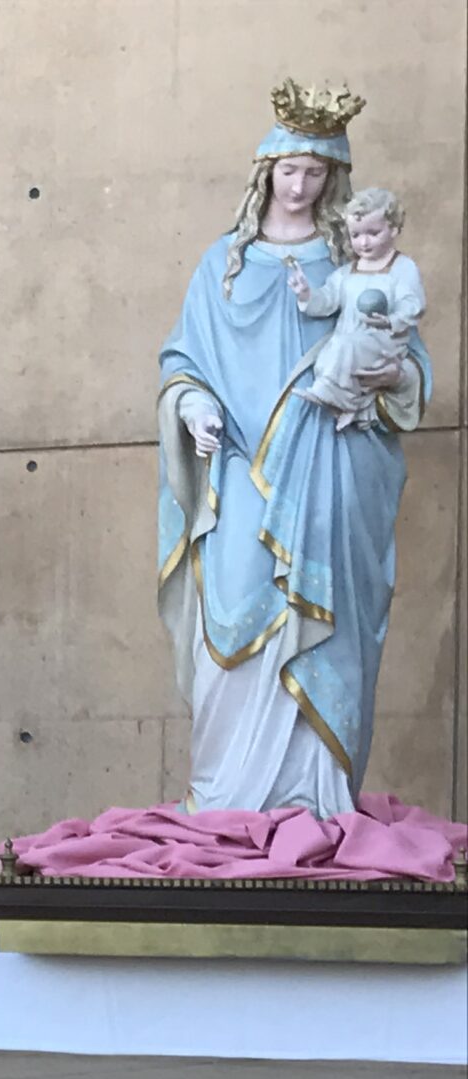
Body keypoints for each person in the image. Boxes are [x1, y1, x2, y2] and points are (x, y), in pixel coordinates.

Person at [157, 82, 428, 815]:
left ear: (335, 178)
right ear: (266, 171)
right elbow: (183, 361)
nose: (302, 186)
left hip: (336, 468)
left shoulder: (360, 265)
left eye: (317, 172)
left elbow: (411, 368)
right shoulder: (224, 265)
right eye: (289, 170)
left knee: (326, 622)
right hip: (243, 464)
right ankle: (227, 796)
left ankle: (314, 799)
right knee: (240, 592)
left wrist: (393, 372)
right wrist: (195, 404)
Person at [290, 187, 426, 429]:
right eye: (356, 235)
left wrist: (390, 320)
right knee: (327, 357)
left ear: (393, 229)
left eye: (373, 233)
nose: (363, 242)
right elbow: (327, 302)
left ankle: (336, 398)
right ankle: (349, 406)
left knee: (345, 347)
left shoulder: (401, 268)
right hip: (350, 339)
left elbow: (413, 305)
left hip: (384, 341)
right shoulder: (347, 273)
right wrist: (306, 293)